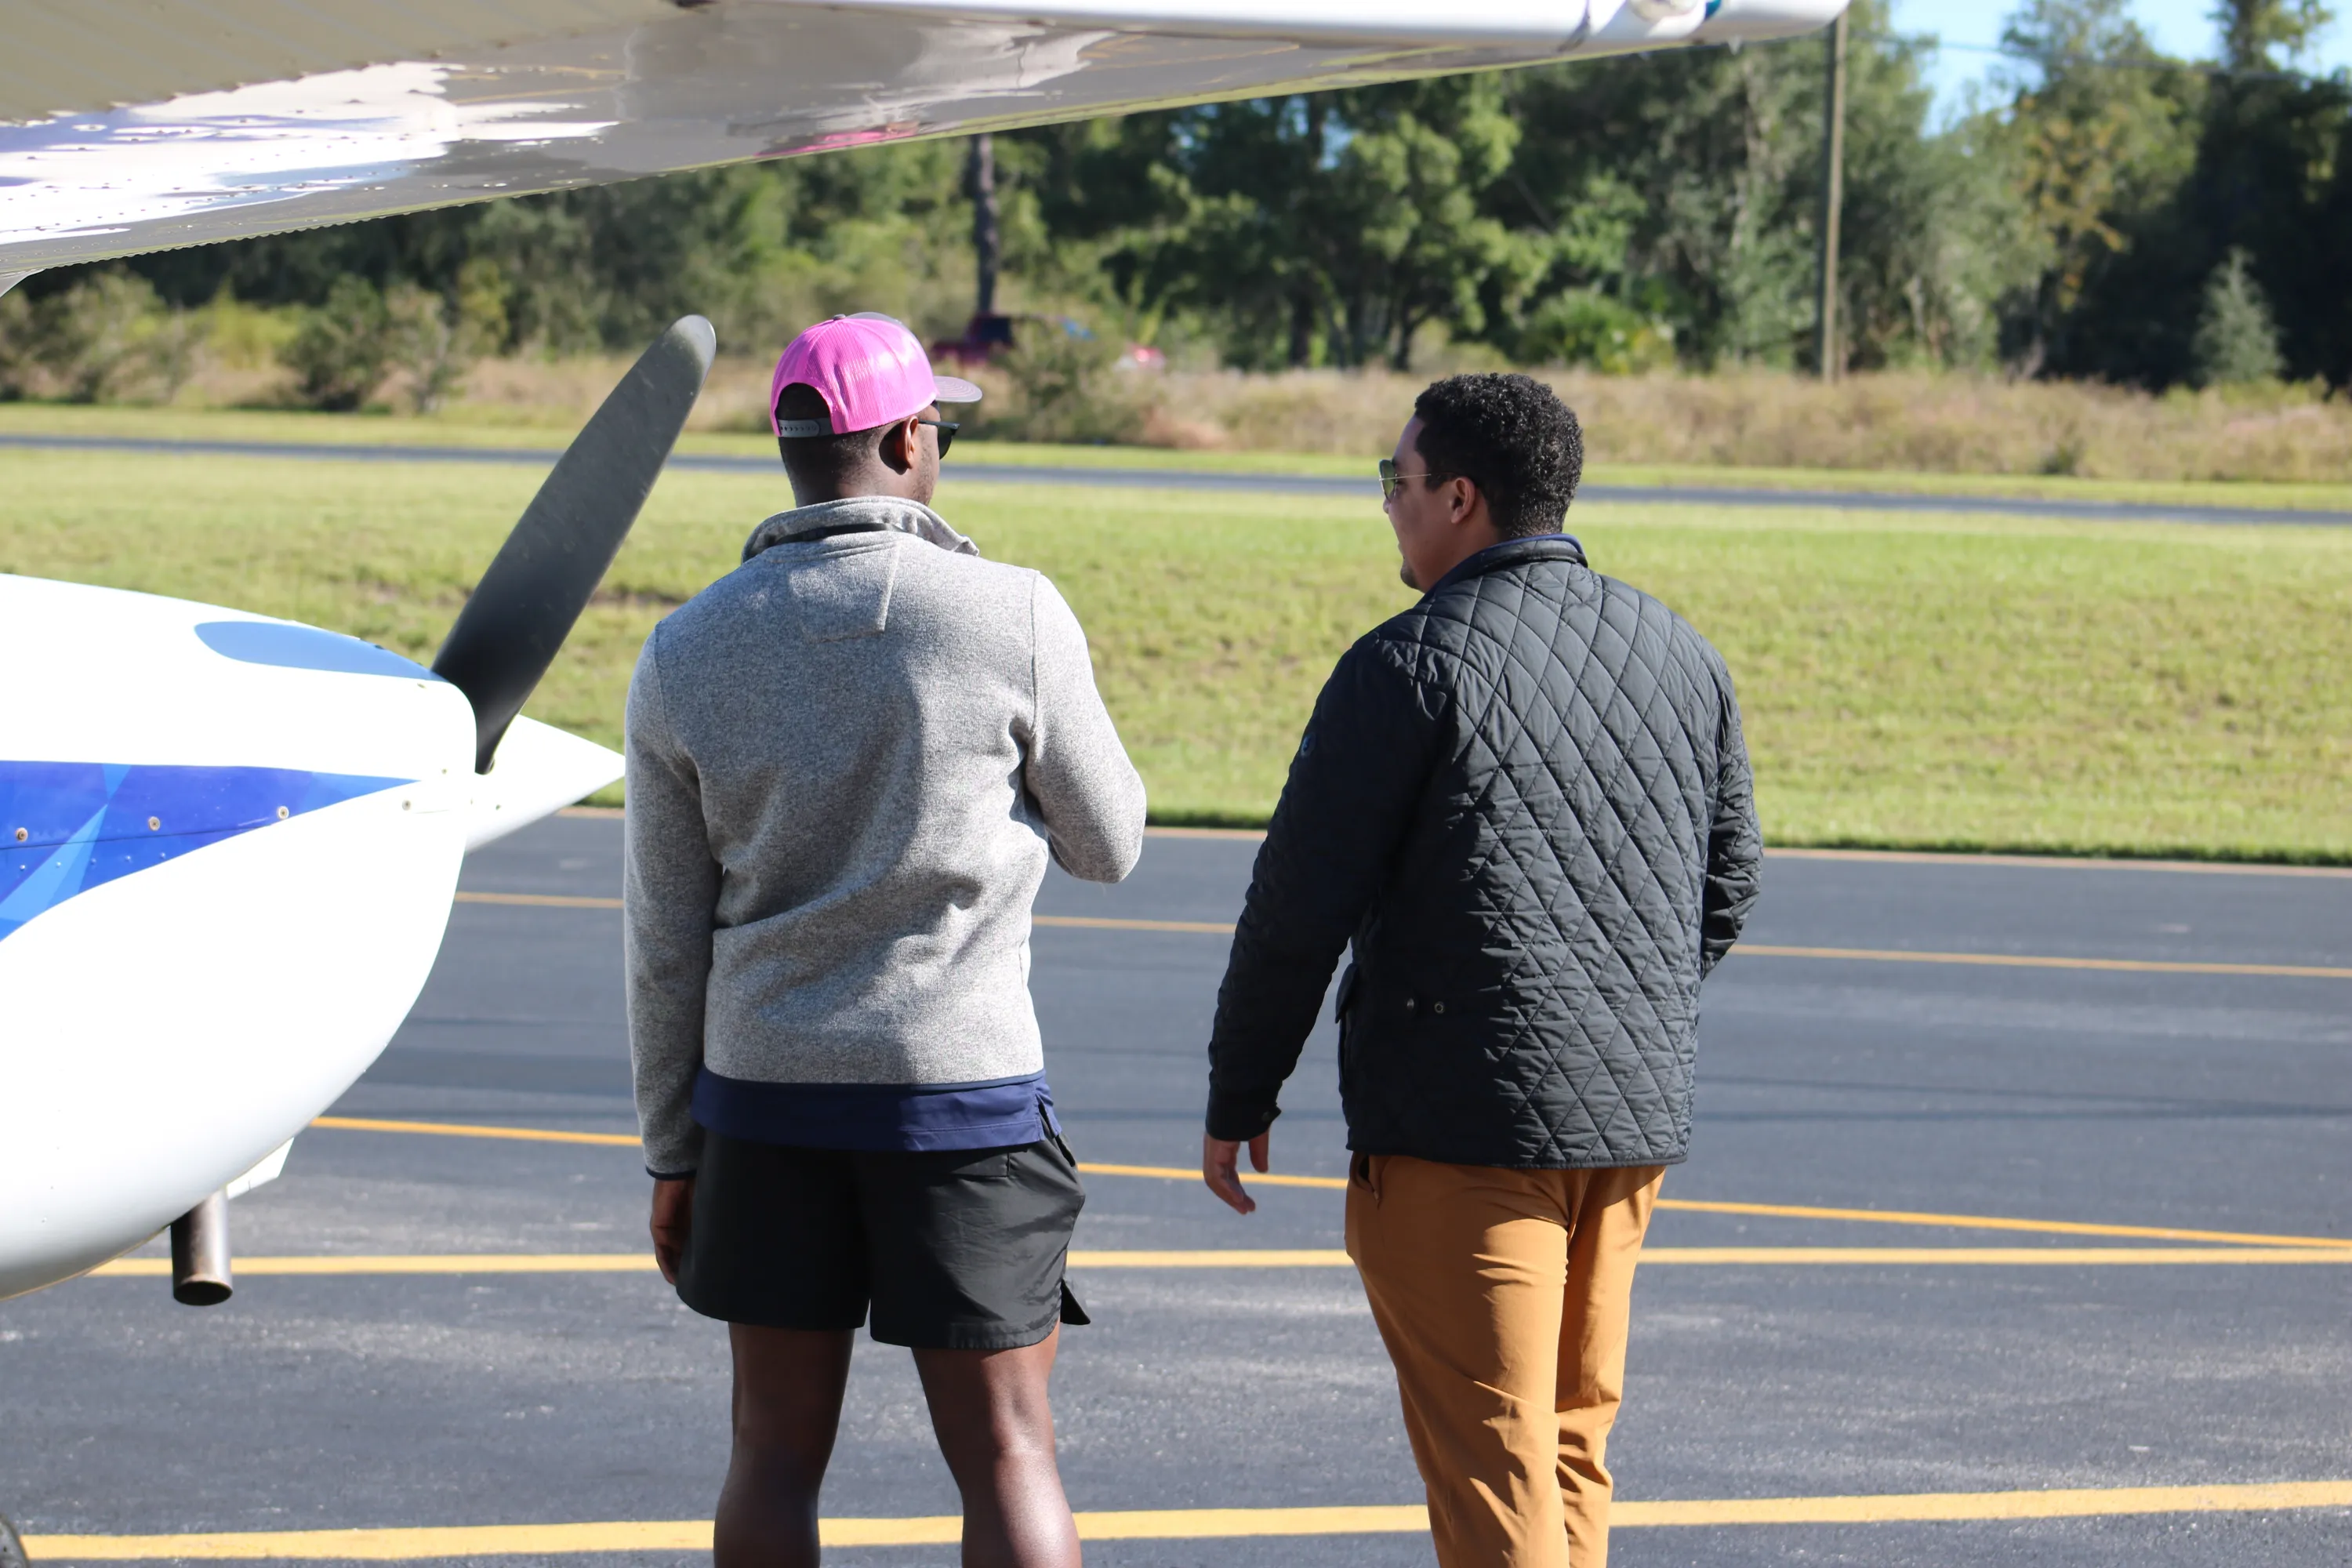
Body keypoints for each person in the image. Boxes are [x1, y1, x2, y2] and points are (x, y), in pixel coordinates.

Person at [1200, 373, 1762, 1568]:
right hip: (1627, 1123)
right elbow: (1728, 883)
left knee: (1496, 1467)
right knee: (1569, 1447)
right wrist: (1615, 1002)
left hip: (1463, 1129)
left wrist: (1241, 1089)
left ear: (1460, 498)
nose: (1388, 505)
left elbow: (1297, 906)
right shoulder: (1683, 654)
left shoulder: (1407, 665)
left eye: (1396, 481)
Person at [626, 312, 1145, 1568]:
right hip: (958, 1097)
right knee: (1010, 1450)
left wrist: (672, 1150)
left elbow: (665, 939)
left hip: (765, 1102)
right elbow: (1111, 842)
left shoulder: (685, 647)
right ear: (911, 440)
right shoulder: (1011, 614)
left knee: (770, 1452)